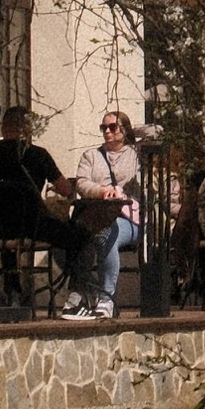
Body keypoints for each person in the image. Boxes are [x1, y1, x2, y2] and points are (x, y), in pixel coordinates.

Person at [58, 108, 146, 318]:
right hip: (98, 215)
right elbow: (82, 183)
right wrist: (101, 191)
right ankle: (85, 291)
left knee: (106, 234)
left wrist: (132, 131)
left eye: (112, 127)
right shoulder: (91, 156)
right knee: (74, 236)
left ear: (124, 129)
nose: (107, 131)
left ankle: (106, 299)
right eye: (103, 127)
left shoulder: (136, 155)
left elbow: (156, 132)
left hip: (128, 217)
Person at [0, 106, 68, 311]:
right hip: (33, 227)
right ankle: (76, 294)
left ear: (3, 128)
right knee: (80, 237)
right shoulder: (39, 155)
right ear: (27, 128)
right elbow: (65, 189)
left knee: (7, 232)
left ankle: (13, 291)